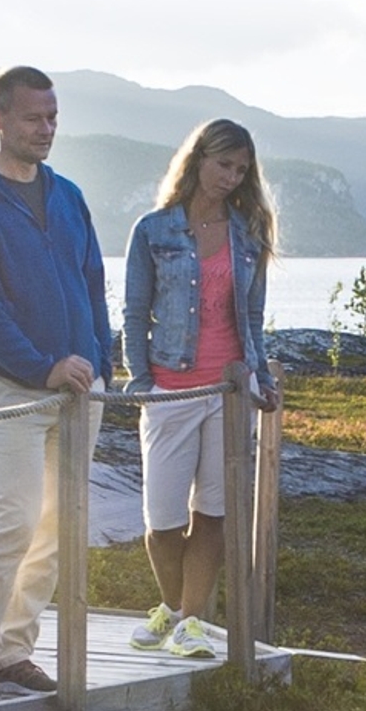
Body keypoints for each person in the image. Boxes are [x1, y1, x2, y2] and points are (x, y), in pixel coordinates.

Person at [0, 64, 112, 703]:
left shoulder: (67, 195)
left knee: (57, 527)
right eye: (34, 118)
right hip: (7, 388)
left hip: (77, 390)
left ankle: (14, 652)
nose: (47, 129)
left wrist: (101, 358)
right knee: (13, 516)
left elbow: (92, 282)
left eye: (54, 117)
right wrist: (43, 367)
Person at [117, 117, 277, 658]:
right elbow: (134, 312)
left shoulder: (248, 235)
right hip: (169, 388)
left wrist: (264, 379)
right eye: (222, 164)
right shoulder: (153, 230)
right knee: (162, 521)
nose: (230, 177)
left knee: (213, 512)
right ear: (198, 160)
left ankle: (186, 624)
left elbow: (252, 318)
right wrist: (141, 380)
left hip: (232, 390)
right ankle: (177, 610)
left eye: (240, 169)